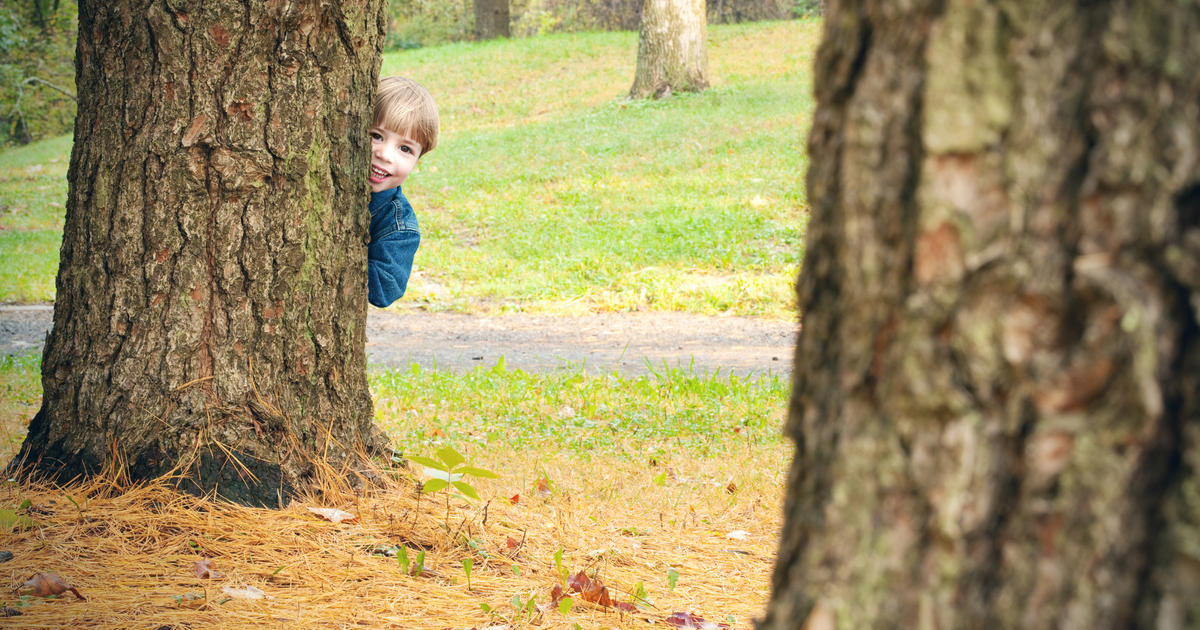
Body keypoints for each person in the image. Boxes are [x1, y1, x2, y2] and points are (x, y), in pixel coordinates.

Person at [366, 76, 439, 308]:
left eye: (405, 149)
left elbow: (385, 288)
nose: (385, 155)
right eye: (376, 136)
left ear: (418, 160)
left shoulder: (399, 226)